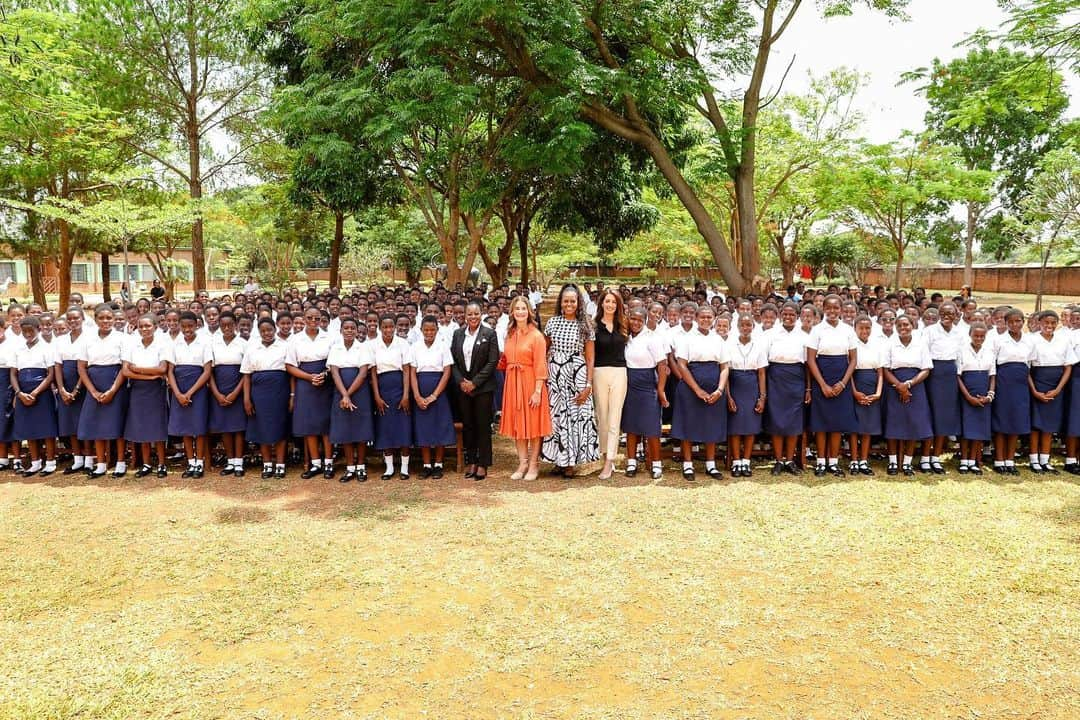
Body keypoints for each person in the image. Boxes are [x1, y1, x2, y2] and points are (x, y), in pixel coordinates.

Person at [542, 284, 599, 477]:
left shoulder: (586, 324)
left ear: (578, 303)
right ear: (561, 302)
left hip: (577, 375)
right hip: (555, 375)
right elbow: (544, 349)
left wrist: (589, 384)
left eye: (572, 301)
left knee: (575, 416)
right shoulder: (552, 323)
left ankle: (571, 463)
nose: (569, 304)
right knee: (557, 416)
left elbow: (590, 357)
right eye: (565, 301)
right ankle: (559, 459)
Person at [670, 304, 729, 480]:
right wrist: (697, 389)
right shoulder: (687, 339)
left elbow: (725, 367)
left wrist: (720, 389)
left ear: (714, 319)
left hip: (714, 387)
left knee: (711, 424)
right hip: (690, 387)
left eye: (709, 317)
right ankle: (687, 464)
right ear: (696, 318)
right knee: (688, 424)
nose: (705, 320)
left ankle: (710, 464)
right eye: (702, 317)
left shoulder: (718, 340)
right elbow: (681, 365)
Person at [805, 295, 858, 477]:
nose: (833, 312)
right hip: (822, 377)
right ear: (824, 309)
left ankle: (833, 462)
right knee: (821, 422)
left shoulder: (848, 330)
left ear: (841, 310)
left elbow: (853, 360)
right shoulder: (817, 330)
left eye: (836, 308)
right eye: (829, 308)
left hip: (841, 378)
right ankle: (820, 462)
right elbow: (811, 360)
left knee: (836, 423)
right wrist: (822, 385)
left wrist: (843, 383)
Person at [499, 295, 551, 480]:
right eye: (517, 309)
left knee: (533, 425)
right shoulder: (510, 334)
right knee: (517, 424)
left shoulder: (536, 336)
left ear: (529, 311)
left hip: (530, 382)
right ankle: (522, 463)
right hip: (513, 382)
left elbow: (540, 365)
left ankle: (534, 464)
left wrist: (538, 391)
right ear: (512, 312)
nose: (520, 312)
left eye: (523, 308)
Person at [77, 304, 130, 478]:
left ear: (114, 320)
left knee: (118, 424)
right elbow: (82, 367)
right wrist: (92, 391)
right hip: (94, 384)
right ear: (96, 319)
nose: (106, 321)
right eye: (102, 318)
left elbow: (124, 367)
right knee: (96, 424)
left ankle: (121, 463)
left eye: (109, 318)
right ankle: (100, 463)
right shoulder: (87, 339)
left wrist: (113, 390)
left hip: (115, 383)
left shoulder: (122, 338)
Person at [451, 301, 500, 481]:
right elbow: (453, 361)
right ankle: (471, 460)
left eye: (476, 313)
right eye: (469, 314)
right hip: (463, 388)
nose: (473, 317)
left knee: (482, 425)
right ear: (465, 315)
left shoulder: (490, 334)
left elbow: (492, 361)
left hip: (483, 388)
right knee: (468, 425)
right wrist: (462, 382)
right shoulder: (457, 334)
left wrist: (475, 383)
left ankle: (483, 463)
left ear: (481, 314)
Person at [286, 306, 335, 479]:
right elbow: (290, 365)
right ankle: (315, 463)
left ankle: (329, 462)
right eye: (309, 318)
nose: (313, 322)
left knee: (326, 424)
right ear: (304, 319)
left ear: (321, 319)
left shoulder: (329, 338)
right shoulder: (295, 340)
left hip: (325, 382)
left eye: (317, 318)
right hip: (305, 383)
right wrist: (308, 377)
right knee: (309, 424)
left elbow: (334, 362)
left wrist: (324, 375)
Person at [622, 308, 668, 480]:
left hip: (647, 384)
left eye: (639, 320)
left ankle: (656, 463)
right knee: (631, 426)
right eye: (632, 319)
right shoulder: (625, 337)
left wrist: (661, 389)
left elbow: (662, 365)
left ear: (645, 320)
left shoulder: (652, 338)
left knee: (651, 427)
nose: (635, 322)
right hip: (629, 384)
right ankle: (632, 462)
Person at [883, 316, 933, 476]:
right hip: (894, 385)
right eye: (899, 325)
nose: (903, 327)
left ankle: (907, 463)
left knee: (913, 423)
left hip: (915, 386)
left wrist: (909, 384)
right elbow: (884, 368)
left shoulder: (921, 344)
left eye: (906, 324)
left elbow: (926, 369)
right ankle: (892, 462)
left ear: (913, 325)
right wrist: (899, 386)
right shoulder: (890, 343)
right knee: (893, 423)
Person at [122, 313, 170, 478]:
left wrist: (138, 369)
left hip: (156, 389)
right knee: (141, 426)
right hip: (138, 389)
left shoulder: (161, 345)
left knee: (157, 426)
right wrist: (148, 375)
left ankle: (162, 464)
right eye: (141, 326)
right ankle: (147, 463)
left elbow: (162, 369)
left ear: (155, 327)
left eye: (148, 326)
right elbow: (126, 371)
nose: (144, 329)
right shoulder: (132, 345)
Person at [1026, 310, 1075, 474]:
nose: (1049, 326)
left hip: (1056, 386)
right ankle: (1034, 460)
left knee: (1049, 424)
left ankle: (1045, 460)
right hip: (1038, 382)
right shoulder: (1032, 340)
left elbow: (1068, 367)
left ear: (1057, 324)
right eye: (1046, 323)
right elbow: (1026, 368)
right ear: (1039, 323)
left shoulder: (1063, 340)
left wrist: (1058, 389)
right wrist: (1034, 391)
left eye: (1053, 323)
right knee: (1036, 424)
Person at [241, 318, 289, 479]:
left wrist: (292, 396)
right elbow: (247, 376)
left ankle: (280, 464)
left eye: (270, 330)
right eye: (263, 331)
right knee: (261, 428)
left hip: (280, 391)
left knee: (280, 427)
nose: (267, 333)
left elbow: (291, 372)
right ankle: (267, 464)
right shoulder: (252, 348)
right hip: (259, 393)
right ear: (259, 332)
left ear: (275, 329)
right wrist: (247, 399)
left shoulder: (285, 346)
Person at [166, 311, 212, 479]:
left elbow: (207, 371)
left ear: (196, 325)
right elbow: (169, 370)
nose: (187, 329)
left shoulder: (204, 343)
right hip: (178, 388)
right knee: (184, 428)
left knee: (198, 427)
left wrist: (190, 392)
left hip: (197, 388)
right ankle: (190, 462)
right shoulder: (174, 344)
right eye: (183, 326)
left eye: (190, 326)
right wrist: (178, 393)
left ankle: (199, 462)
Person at [328, 318, 374, 482]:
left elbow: (363, 373)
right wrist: (344, 395)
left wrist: (348, 394)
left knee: (361, 430)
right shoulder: (335, 348)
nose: (349, 330)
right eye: (346, 328)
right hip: (340, 392)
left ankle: (361, 466)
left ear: (357, 330)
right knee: (345, 429)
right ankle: (350, 467)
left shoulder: (363, 348)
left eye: (352, 328)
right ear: (341, 330)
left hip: (359, 392)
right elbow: (334, 372)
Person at [764, 302, 808, 475]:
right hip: (775, 377)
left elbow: (807, 364)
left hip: (796, 378)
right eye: (785, 314)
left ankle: (789, 460)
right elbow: (764, 362)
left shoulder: (804, 335)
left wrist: (808, 388)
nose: (788, 317)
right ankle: (778, 460)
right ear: (781, 315)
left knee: (793, 421)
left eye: (792, 315)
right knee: (776, 420)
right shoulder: (770, 334)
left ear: (797, 316)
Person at [11, 316, 58, 476]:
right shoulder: (18, 349)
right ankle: (35, 462)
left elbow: (51, 374)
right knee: (28, 428)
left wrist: (36, 392)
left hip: (41, 391)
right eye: (25, 331)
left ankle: (50, 462)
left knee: (46, 427)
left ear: (39, 329)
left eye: (31, 330)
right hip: (23, 391)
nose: (28, 334)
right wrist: (19, 393)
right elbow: (13, 374)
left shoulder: (47, 348)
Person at [410, 316, 455, 478]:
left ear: (437, 330)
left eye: (432, 330)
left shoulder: (443, 346)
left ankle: (438, 464)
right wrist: (416, 395)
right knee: (424, 427)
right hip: (420, 388)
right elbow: (412, 373)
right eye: (426, 330)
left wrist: (435, 395)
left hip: (439, 390)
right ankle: (426, 464)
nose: (429, 333)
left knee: (439, 426)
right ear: (421, 330)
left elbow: (447, 372)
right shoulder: (415, 347)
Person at [921, 302, 964, 474]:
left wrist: (958, 375)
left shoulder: (959, 333)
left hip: (950, 375)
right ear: (939, 314)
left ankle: (936, 457)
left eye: (951, 313)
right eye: (944, 313)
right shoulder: (930, 331)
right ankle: (925, 458)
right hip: (933, 373)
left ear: (956, 315)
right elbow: (924, 353)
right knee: (930, 415)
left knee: (944, 417)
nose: (947, 316)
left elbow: (960, 357)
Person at [370, 314, 413, 479]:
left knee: (403, 427)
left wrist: (405, 395)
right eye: (385, 327)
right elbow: (373, 373)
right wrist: (377, 396)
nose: (388, 330)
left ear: (395, 327)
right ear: (380, 328)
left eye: (391, 327)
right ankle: (389, 468)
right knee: (385, 427)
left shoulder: (402, 344)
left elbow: (407, 370)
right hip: (382, 388)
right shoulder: (373, 345)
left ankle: (404, 467)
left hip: (400, 387)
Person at [592, 289, 628, 480]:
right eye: (607, 301)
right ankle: (604, 454)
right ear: (602, 304)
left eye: (614, 302)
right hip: (599, 372)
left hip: (620, 373)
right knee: (602, 418)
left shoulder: (624, 325)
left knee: (615, 418)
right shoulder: (594, 325)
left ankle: (610, 461)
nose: (610, 305)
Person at [992, 309, 1033, 475]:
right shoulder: (999, 340)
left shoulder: (1029, 341)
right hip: (1004, 382)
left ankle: (1010, 460)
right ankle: (999, 460)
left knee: (1016, 421)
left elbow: (1030, 365)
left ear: (1023, 321)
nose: (1015, 324)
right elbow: (993, 364)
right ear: (1005, 323)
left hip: (1021, 383)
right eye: (1011, 322)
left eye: (1018, 321)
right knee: (1002, 420)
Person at [726, 313, 767, 477]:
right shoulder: (729, 345)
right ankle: (736, 461)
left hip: (752, 386)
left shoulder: (758, 347)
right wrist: (728, 396)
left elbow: (762, 373)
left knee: (751, 427)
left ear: (753, 327)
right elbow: (726, 373)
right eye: (742, 325)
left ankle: (746, 461)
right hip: (735, 384)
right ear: (737, 327)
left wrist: (762, 397)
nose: (745, 328)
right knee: (735, 427)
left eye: (748, 325)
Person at [209, 311, 248, 477]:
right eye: (223, 325)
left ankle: (239, 461)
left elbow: (247, 372)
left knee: (238, 427)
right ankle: (230, 461)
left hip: (237, 388)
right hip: (219, 388)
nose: (227, 328)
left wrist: (236, 392)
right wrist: (217, 393)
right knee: (225, 427)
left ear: (236, 325)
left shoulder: (243, 343)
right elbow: (209, 371)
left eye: (230, 325)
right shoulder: (213, 343)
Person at [957, 322, 995, 475]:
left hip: (984, 393)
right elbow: (958, 376)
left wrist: (989, 395)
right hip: (967, 392)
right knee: (967, 428)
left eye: (982, 336)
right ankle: (964, 460)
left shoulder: (990, 351)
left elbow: (993, 375)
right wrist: (968, 397)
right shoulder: (962, 351)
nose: (979, 338)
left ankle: (973, 461)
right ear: (970, 335)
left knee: (979, 429)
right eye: (976, 335)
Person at [54, 307, 88, 474]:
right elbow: (58, 366)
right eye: (70, 319)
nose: (73, 321)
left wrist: (76, 389)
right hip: (65, 384)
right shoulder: (60, 341)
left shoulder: (89, 338)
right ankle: (77, 459)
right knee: (70, 423)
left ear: (82, 319)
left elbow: (85, 367)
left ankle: (89, 459)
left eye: (76, 318)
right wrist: (61, 389)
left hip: (84, 383)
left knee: (85, 422)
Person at [850, 316, 883, 475]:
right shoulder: (851, 345)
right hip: (856, 385)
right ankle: (854, 460)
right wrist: (854, 391)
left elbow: (881, 372)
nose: (864, 331)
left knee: (867, 427)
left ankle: (863, 460)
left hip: (872, 387)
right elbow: (849, 371)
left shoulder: (876, 345)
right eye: (861, 328)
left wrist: (878, 392)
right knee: (855, 426)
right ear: (855, 329)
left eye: (867, 328)